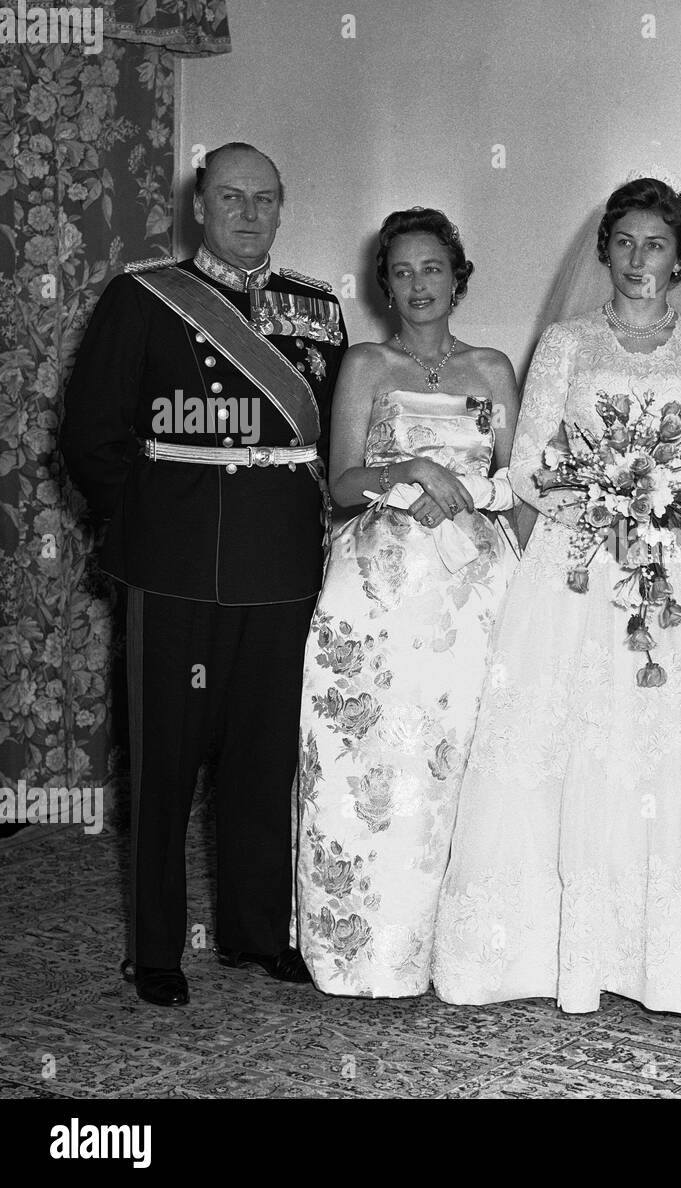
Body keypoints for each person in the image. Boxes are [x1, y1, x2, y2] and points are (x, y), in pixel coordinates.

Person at [432, 176, 681, 1014]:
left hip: (675, 573)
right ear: (606, 252)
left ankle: (672, 960)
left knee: (670, 755)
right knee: (566, 750)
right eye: (625, 243)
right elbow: (526, 463)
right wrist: (602, 497)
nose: (640, 260)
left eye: (657, 245)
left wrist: (660, 495)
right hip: (575, 573)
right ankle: (542, 954)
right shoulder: (565, 344)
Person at [60, 142, 348, 1006]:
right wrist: (147, 526)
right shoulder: (143, 297)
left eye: (265, 198)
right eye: (232, 197)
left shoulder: (318, 306)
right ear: (199, 205)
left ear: (282, 205)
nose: (249, 213)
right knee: (163, 763)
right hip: (175, 563)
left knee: (265, 760)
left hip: (283, 561)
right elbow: (91, 437)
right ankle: (155, 951)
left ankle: (254, 934)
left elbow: (338, 429)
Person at [296, 208, 523, 997]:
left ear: (459, 276)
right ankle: (367, 950)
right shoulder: (365, 363)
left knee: (459, 760)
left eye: (433, 269)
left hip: (473, 587)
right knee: (378, 760)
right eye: (402, 271)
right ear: (383, 283)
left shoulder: (494, 368)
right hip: (380, 587)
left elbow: (519, 484)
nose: (419, 285)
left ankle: (461, 952)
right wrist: (417, 473)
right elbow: (342, 480)